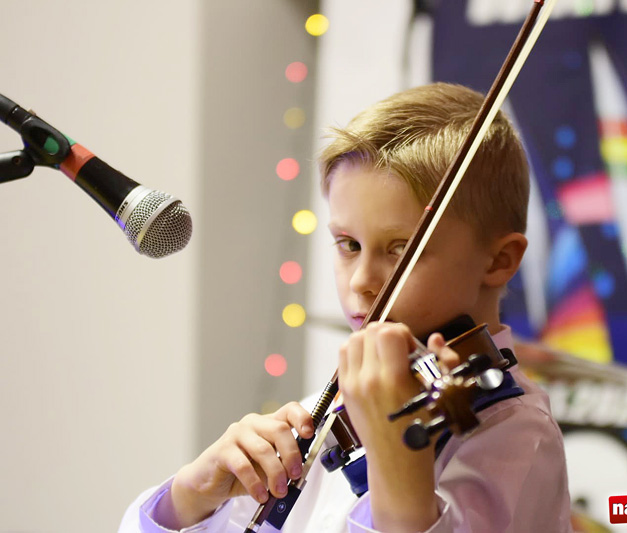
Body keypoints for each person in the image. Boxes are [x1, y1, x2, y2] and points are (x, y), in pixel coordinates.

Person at [119, 82, 572, 532]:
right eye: (349, 244)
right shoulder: (331, 417)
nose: (360, 281)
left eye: (400, 248)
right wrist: (189, 499)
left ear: (498, 260)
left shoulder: (513, 433)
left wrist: (397, 460)